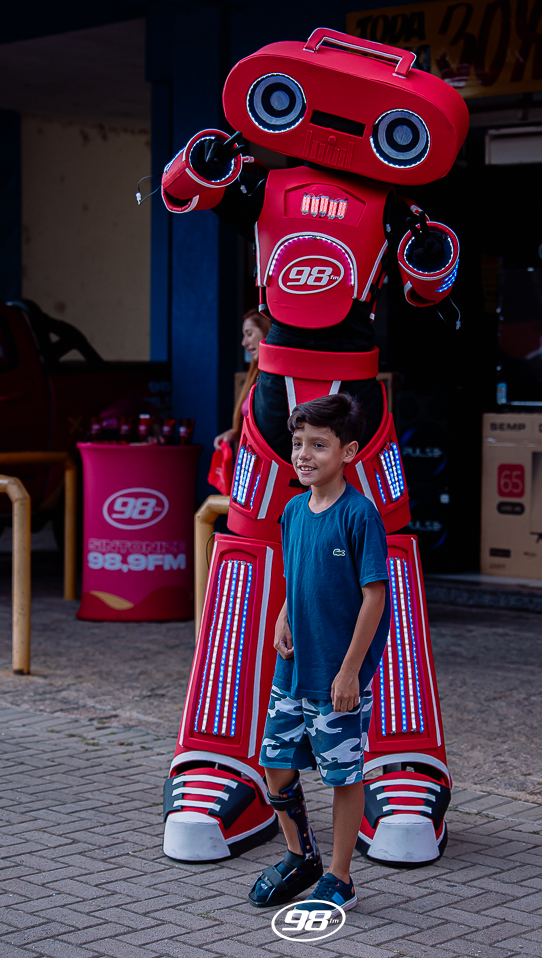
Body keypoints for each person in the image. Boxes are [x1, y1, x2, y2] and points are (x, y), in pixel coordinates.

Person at [248, 393, 391, 913]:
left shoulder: (360, 515)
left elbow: (375, 596)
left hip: (336, 676)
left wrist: (350, 671)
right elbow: (297, 576)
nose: (303, 455)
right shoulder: (292, 510)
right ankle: (300, 856)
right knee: (275, 764)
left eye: (318, 445)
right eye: (297, 443)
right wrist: (284, 616)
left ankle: (340, 877)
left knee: (342, 776)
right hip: (292, 671)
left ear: (348, 452)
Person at [213, 308, 271, 450]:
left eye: (249, 334)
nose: (244, 343)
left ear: (267, 331)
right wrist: (235, 434)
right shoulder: (256, 375)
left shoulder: (277, 378)